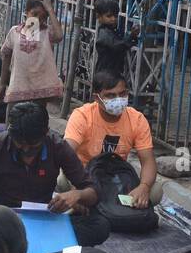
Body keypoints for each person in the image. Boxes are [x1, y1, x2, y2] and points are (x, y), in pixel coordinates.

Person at [0, 102, 109, 246]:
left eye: (33, 146)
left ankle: (25, 243)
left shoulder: (58, 147)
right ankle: (37, 243)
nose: (26, 151)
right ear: (10, 133)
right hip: (2, 219)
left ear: (46, 133)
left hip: (42, 220)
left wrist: (77, 195)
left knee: (99, 225)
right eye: (20, 145)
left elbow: (93, 191)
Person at [64, 69, 162, 208]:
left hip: (116, 178)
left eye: (122, 94)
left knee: (156, 191)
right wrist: (78, 185)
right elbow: (67, 153)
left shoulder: (137, 120)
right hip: (84, 176)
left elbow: (148, 161)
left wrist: (144, 187)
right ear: (97, 98)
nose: (118, 100)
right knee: (59, 180)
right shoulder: (82, 116)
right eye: (110, 95)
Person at [0, 0, 64, 107]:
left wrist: (50, 10)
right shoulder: (15, 32)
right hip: (18, 87)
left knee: (37, 120)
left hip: (40, 90)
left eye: (44, 16)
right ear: (26, 12)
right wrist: (3, 84)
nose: (38, 19)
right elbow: (6, 56)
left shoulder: (47, 32)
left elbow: (59, 36)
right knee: (12, 119)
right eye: (34, 14)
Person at [90, 0, 129, 81]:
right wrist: (131, 37)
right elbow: (117, 46)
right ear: (98, 17)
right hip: (106, 74)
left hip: (110, 73)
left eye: (115, 16)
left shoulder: (111, 31)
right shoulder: (104, 33)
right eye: (109, 16)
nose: (113, 19)